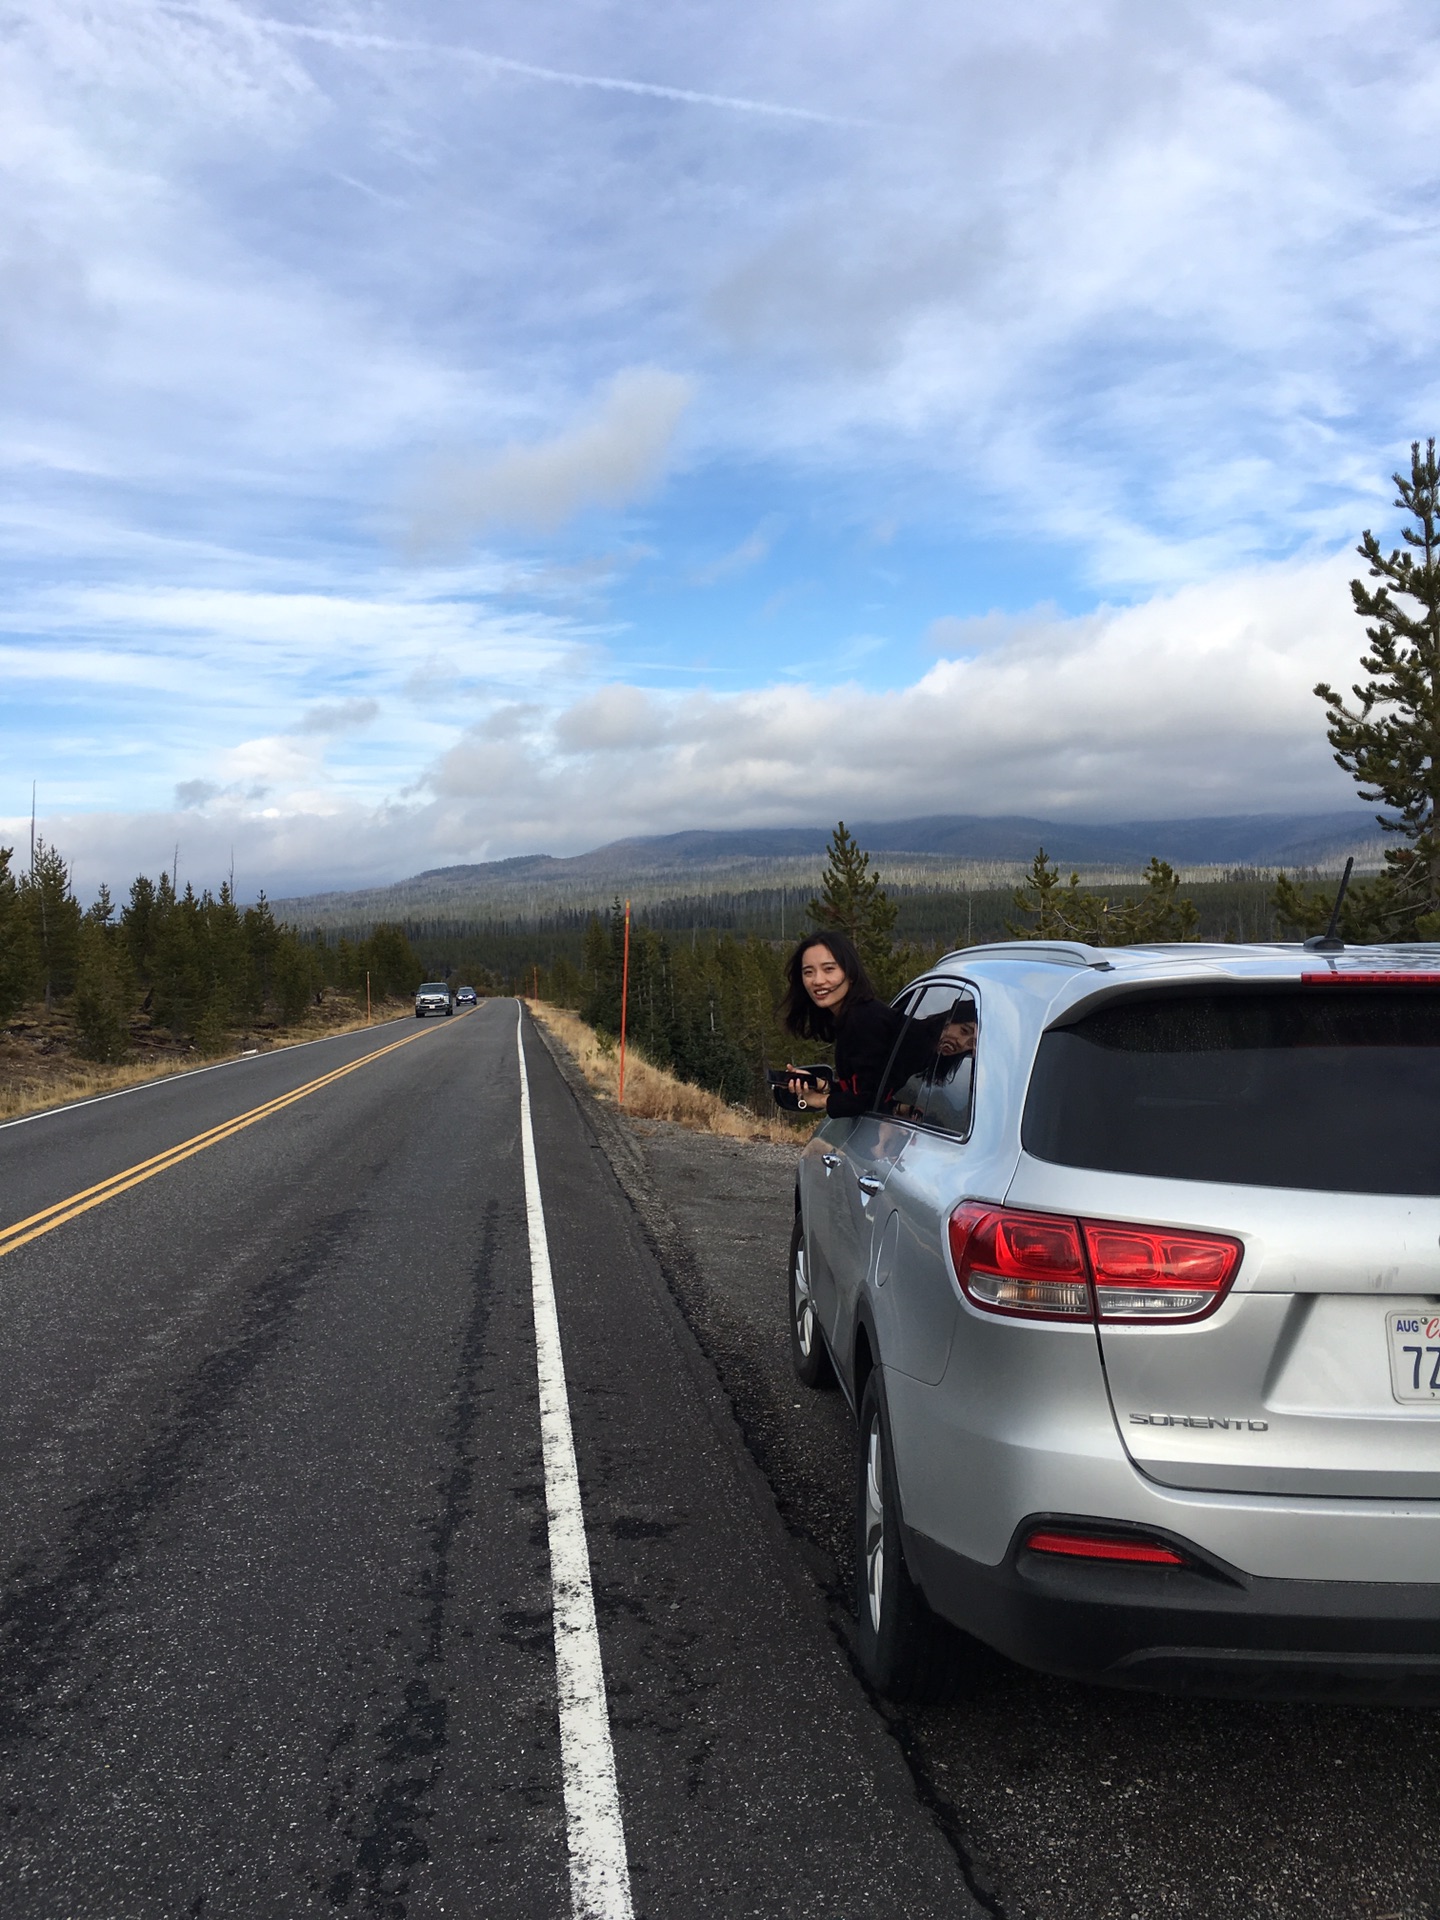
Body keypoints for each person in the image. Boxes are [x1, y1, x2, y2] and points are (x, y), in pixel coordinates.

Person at [779, 932, 902, 1117]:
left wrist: (820, 1100)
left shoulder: (866, 1019)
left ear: (850, 974)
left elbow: (870, 1099)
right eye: (808, 972)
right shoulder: (854, 1016)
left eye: (829, 969)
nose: (818, 981)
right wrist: (823, 1086)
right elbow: (866, 1086)